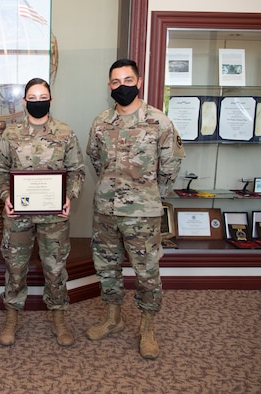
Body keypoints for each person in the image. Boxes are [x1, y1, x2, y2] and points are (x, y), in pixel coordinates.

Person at [86, 59, 185, 359]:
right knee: (107, 268)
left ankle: (148, 328)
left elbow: (171, 165)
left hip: (143, 214)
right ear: (109, 86)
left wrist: (150, 194)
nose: (122, 87)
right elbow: (95, 159)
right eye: (116, 82)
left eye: (128, 80)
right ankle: (113, 319)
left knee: (147, 272)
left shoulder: (159, 121)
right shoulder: (101, 121)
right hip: (106, 210)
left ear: (139, 82)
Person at [0, 78, 85, 347]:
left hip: (54, 217)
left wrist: (69, 196)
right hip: (17, 216)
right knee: (15, 267)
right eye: (31, 97)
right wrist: (5, 197)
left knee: (55, 268)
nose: (37, 101)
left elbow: (77, 171)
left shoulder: (65, 132)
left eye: (42, 96)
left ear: (51, 100)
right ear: (24, 102)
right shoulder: (11, 134)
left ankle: (59, 318)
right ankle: (11, 318)